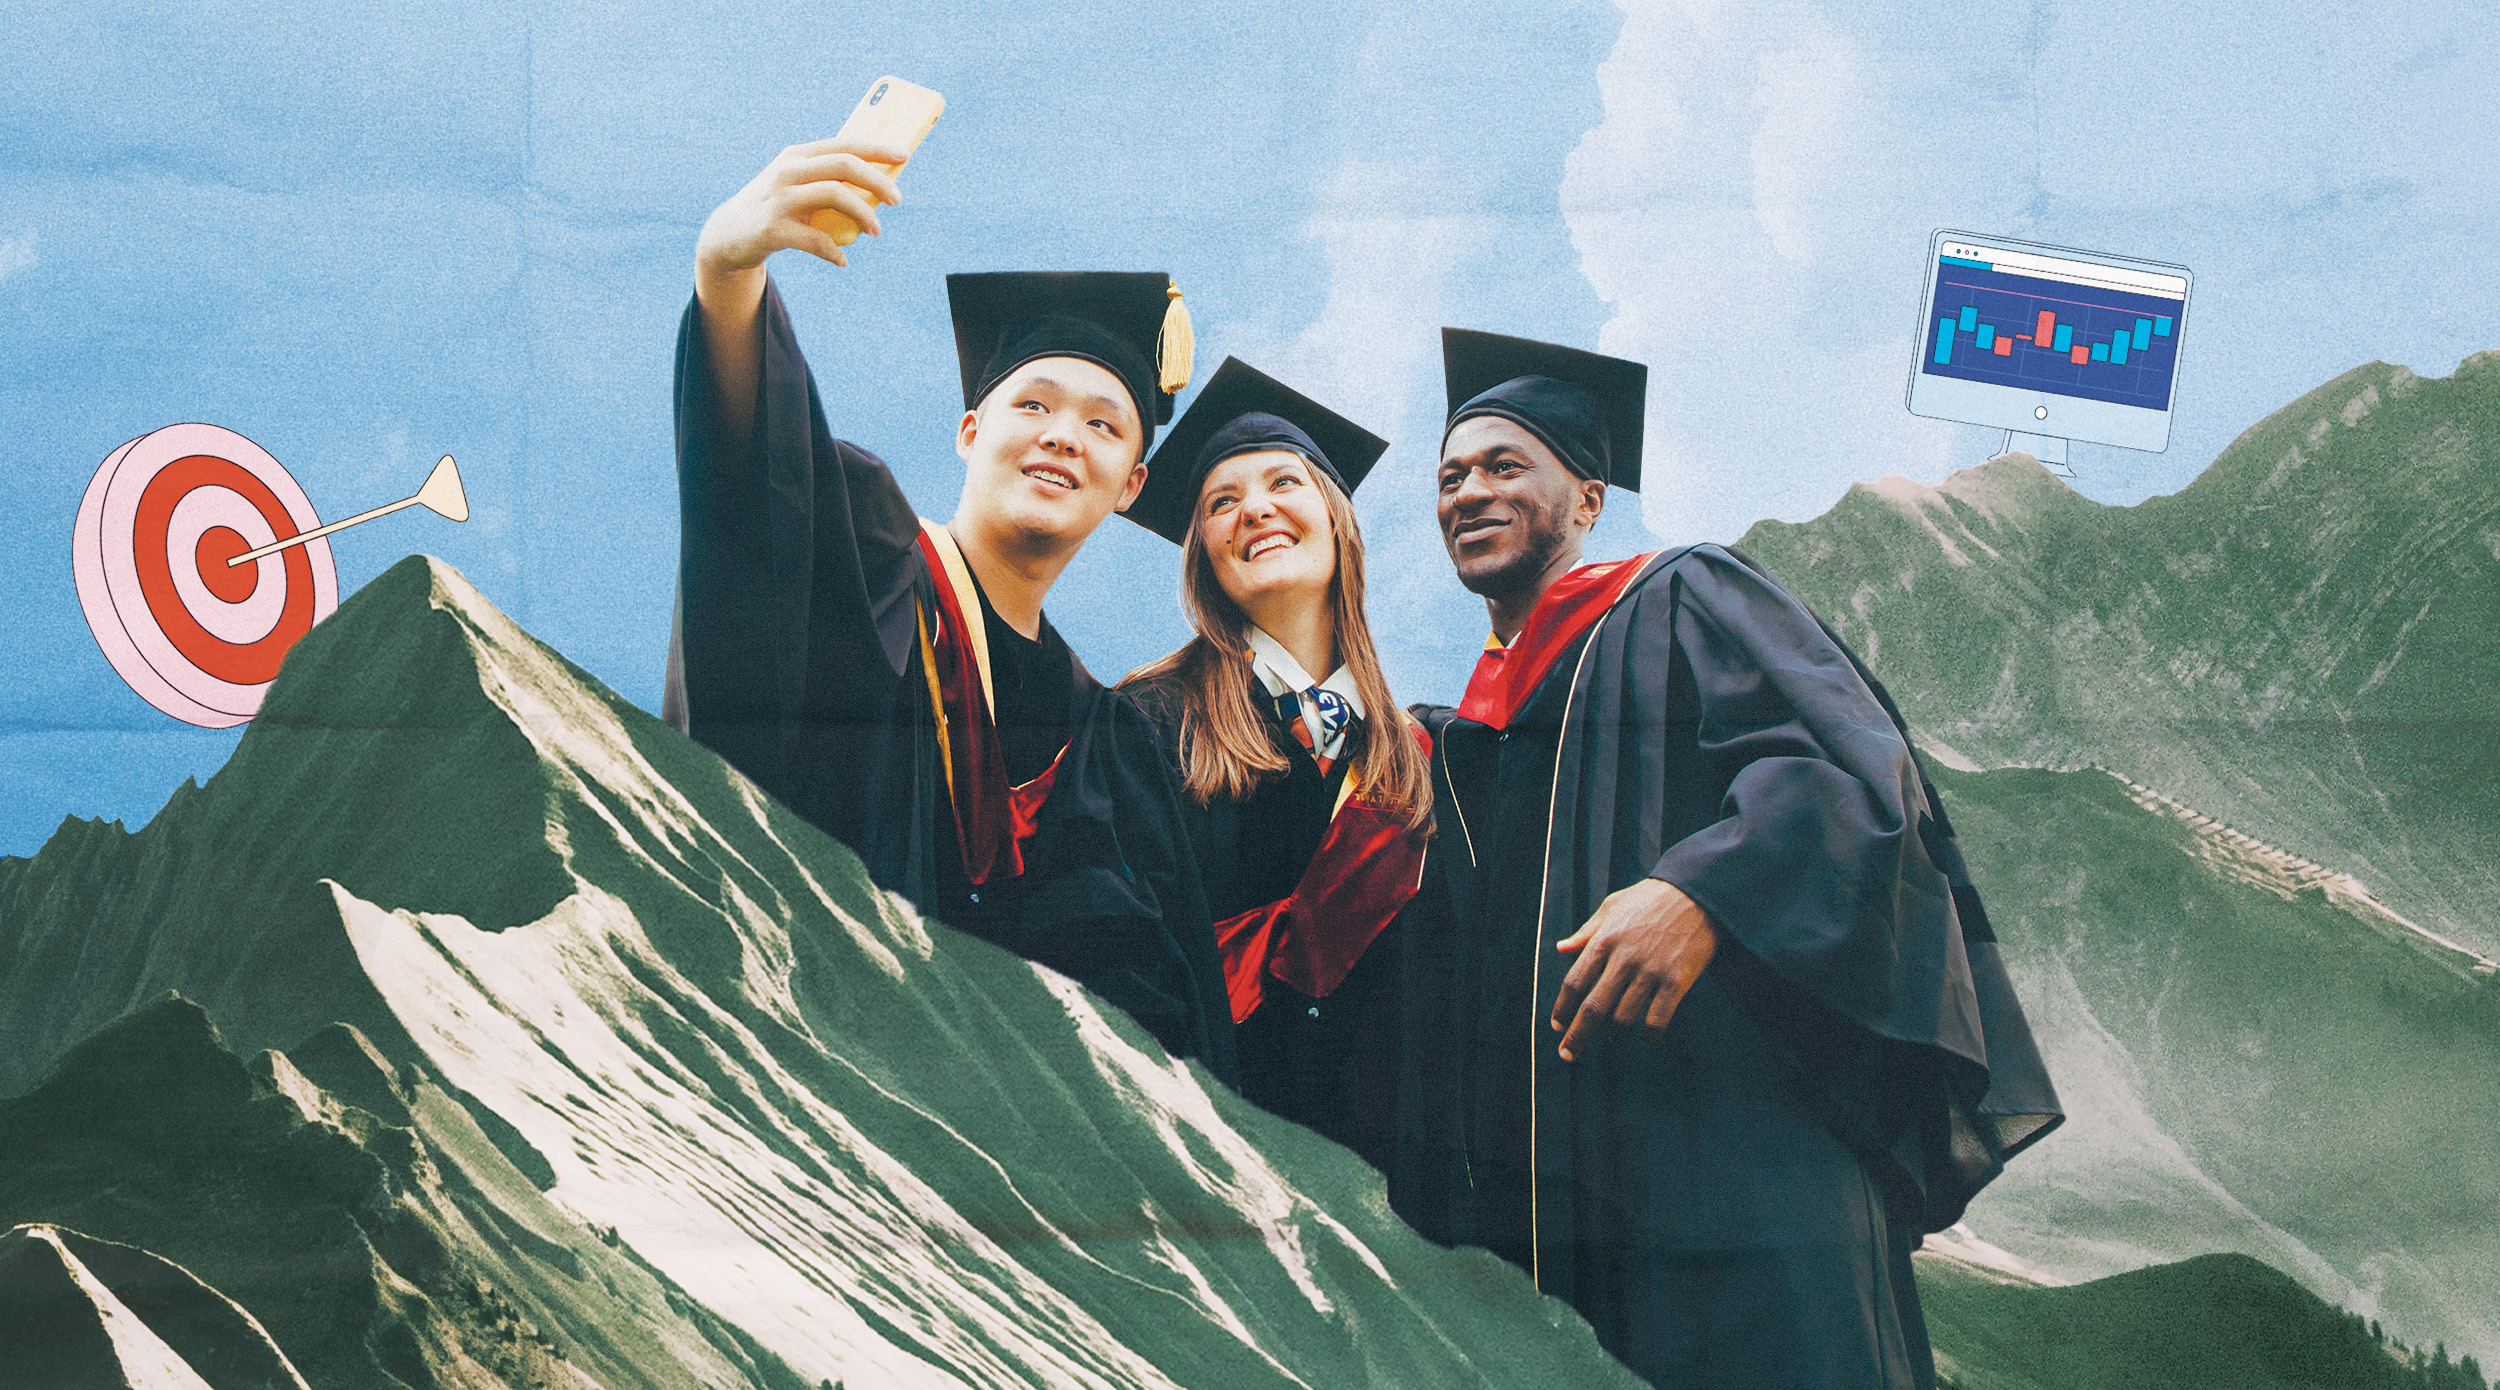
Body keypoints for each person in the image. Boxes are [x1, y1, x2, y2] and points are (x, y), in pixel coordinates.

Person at [1389, 328, 2062, 1388]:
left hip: (1741, 1162)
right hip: (1565, 1223)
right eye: (1449, 477)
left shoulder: (1682, 596)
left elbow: (1849, 769)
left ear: (1589, 498)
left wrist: (1698, 888)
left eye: (1504, 465)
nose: (1468, 491)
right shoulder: (1456, 743)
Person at [662, 134, 1236, 1086]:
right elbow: (754, 494)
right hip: (810, 1078)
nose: (1062, 436)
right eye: (1033, 406)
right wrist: (728, 277)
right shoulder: (868, 552)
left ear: (1132, 484)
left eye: (1103, 423)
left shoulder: (1111, 747)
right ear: (971, 430)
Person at [1118, 358, 1431, 1169]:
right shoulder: (1146, 723)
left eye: (1283, 482)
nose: (1254, 508)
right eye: (1222, 502)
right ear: (1205, 555)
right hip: (1206, 1154)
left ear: (1337, 520)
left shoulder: (1414, 759)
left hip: (1384, 1184)